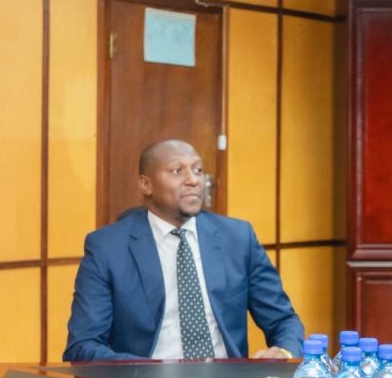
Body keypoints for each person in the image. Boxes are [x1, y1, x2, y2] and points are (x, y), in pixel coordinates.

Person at [64, 139, 304, 361]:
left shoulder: (238, 238)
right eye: (177, 171)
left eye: (198, 170)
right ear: (146, 184)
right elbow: (83, 346)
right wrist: (154, 372)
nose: (193, 180)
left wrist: (283, 351)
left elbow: (283, 321)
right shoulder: (107, 248)